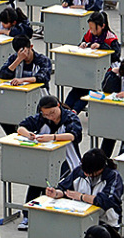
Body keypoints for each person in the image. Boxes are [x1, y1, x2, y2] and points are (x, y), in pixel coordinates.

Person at [16, 95, 83, 230]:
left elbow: (73, 135)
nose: (50, 117)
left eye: (52, 113)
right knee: (36, 182)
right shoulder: (41, 118)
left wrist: (52, 137)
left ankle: (59, 218)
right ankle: (28, 215)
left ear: (58, 105)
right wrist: (29, 135)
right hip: (45, 158)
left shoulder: (70, 117)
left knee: (62, 186)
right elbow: (21, 126)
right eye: (46, 114)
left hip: (67, 158)